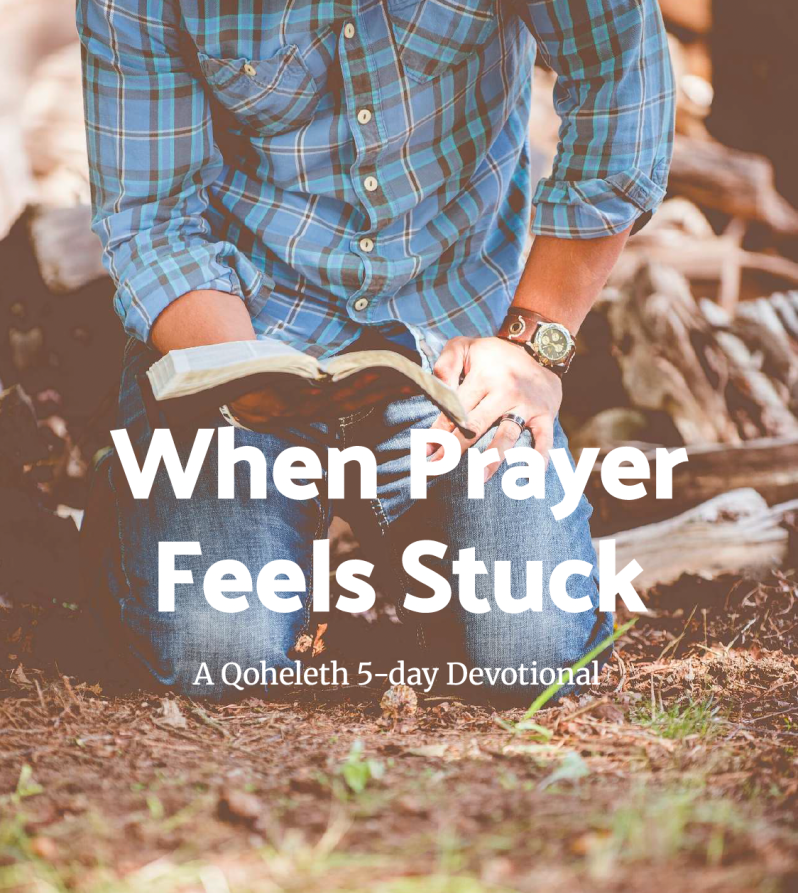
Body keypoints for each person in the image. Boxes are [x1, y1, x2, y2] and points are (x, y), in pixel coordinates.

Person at [76, 0, 674, 699]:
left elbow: (621, 89)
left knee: (533, 657)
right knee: (215, 654)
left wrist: (530, 348)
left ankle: (417, 569)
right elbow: (153, 216)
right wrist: (236, 370)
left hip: (457, 346)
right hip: (241, 331)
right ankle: (136, 508)